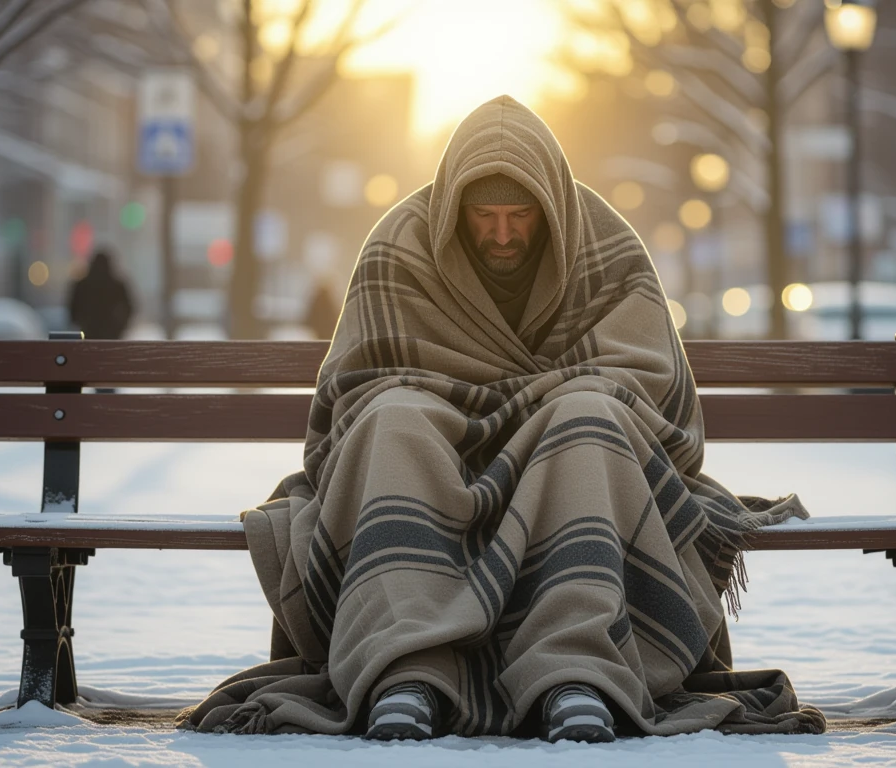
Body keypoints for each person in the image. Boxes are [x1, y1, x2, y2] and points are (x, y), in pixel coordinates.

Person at [181, 96, 824, 742]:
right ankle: (404, 668)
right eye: (483, 217)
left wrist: (523, 411)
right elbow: (352, 398)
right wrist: (513, 411)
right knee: (393, 419)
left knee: (587, 416)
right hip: (430, 464)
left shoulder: (609, 250)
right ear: (452, 211)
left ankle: (578, 671)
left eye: (520, 216)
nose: (503, 234)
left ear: (550, 208)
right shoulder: (396, 249)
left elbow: (653, 393)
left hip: (573, 462)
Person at [67, 249, 133, 341]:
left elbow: (73, 310)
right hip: (112, 334)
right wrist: (120, 325)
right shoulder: (117, 286)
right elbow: (129, 308)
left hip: (89, 332)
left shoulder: (82, 286)